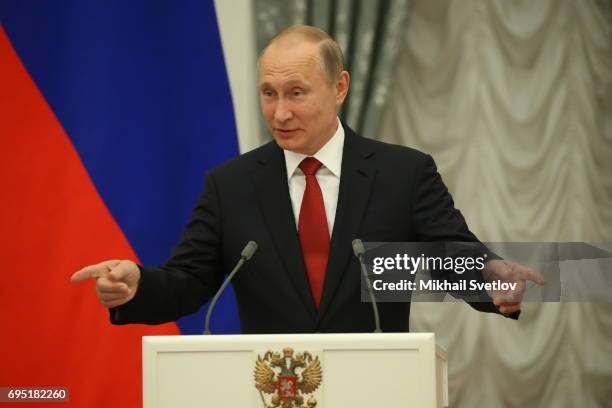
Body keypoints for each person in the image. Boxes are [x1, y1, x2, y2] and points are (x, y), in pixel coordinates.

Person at [71, 25, 544, 333]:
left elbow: (449, 257)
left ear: (339, 87)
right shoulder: (230, 185)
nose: (280, 113)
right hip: (270, 387)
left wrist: (491, 277)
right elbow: (189, 282)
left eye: (297, 93)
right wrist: (137, 287)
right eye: (269, 93)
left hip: (377, 386)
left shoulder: (403, 173)